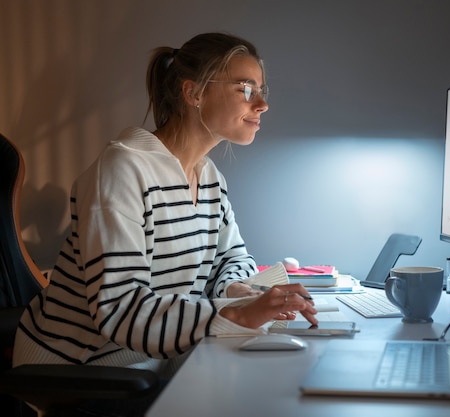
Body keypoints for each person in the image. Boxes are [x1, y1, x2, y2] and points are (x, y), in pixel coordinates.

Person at [14, 32, 318, 415]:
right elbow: (120, 310)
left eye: (260, 88)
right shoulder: (124, 171)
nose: (262, 103)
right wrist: (234, 313)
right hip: (84, 370)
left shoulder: (207, 177)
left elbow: (232, 256)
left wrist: (237, 289)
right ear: (194, 93)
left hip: (153, 358)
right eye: (245, 88)